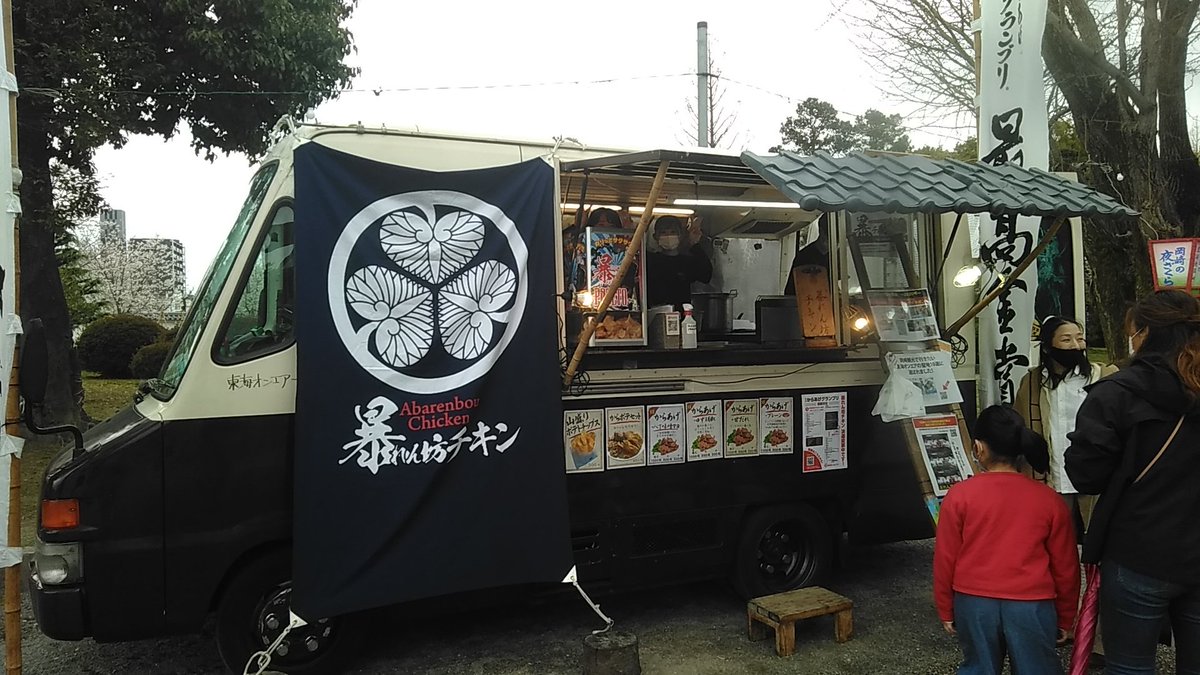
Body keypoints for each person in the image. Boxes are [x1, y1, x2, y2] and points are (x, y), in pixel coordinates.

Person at [1065, 289, 1200, 674]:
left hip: (1138, 551)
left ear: (1144, 334)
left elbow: (1087, 475)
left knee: (1129, 667)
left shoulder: (1116, 394)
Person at [934, 405, 1080, 675]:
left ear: (978, 448)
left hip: (973, 603)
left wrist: (946, 607)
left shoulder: (959, 496)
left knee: (978, 669)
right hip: (1032, 605)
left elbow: (945, 558)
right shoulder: (1050, 501)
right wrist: (1066, 615)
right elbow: (1066, 567)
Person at [1013, 316, 1118, 537]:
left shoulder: (1103, 377)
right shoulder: (1032, 383)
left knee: (1100, 535)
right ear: (1047, 347)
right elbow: (1021, 425)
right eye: (1066, 340)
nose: (1075, 346)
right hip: (1053, 474)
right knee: (1055, 537)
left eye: (1079, 339)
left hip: (1095, 474)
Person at [644, 215, 713, 308]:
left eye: (673, 232)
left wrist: (694, 244)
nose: (668, 236)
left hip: (682, 315)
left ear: (681, 236)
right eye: (663, 232)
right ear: (655, 237)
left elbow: (706, 276)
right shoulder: (649, 260)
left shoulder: (687, 262)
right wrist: (640, 235)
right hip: (653, 313)